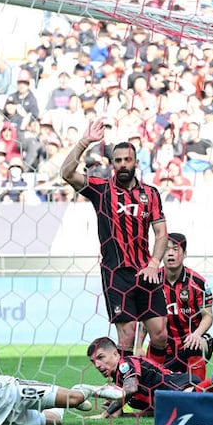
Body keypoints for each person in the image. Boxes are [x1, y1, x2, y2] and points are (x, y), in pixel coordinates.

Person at [60, 118, 169, 364]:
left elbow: (162, 233)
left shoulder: (150, 194)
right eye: (117, 160)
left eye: (127, 160)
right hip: (116, 273)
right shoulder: (101, 190)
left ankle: (154, 380)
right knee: (127, 337)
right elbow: (66, 173)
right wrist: (85, 141)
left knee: (160, 335)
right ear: (112, 164)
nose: (122, 164)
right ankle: (127, 385)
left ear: (136, 162)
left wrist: (154, 263)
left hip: (147, 271)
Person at [86, 336, 213, 417]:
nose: (97, 365)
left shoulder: (125, 364)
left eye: (100, 357)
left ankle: (212, 382)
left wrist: (103, 409)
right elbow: (122, 406)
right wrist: (115, 406)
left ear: (115, 354)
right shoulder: (120, 380)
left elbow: (131, 388)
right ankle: (212, 385)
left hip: (174, 384)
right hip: (172, 393)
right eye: (93, 362)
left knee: (188, 401)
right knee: (201, 410)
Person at [138, 233, 213, 380]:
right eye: (166, 249)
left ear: (184, 254)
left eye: (175, 249)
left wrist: (196, 334)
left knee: (196, 345)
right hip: (163, 345)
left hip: (189, 342)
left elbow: (208, 316)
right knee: (151, 382)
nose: (170, 253)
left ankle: (197, 389)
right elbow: (146, 318)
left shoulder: (197, 282)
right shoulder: (152, 281)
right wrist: (139, 346)